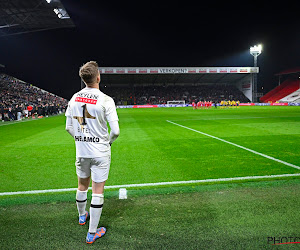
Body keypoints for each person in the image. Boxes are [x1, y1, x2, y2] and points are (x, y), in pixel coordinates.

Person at [65, 61, 120, 244]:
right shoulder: (106, 100)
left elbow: (68, 127)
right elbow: (116, 131)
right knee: (97, 191)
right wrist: (108, 142)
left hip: (82, 151)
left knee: (82, 185)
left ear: (83, 78)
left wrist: (80, 140)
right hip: (100, 152)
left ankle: (82, 217)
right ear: (98, 77)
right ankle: (92, 232)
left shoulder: (74, 98)